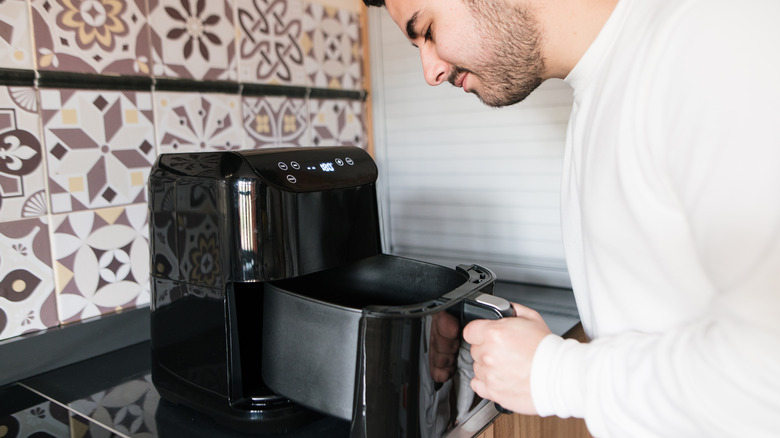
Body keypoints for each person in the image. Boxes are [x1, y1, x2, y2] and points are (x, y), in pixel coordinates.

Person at [362, 0, 780, 435]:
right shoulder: (603, 85)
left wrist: (555, 374)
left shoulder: (711, 38)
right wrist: (530, 355)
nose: (430, 72)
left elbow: (770, 372)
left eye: (427, 31)